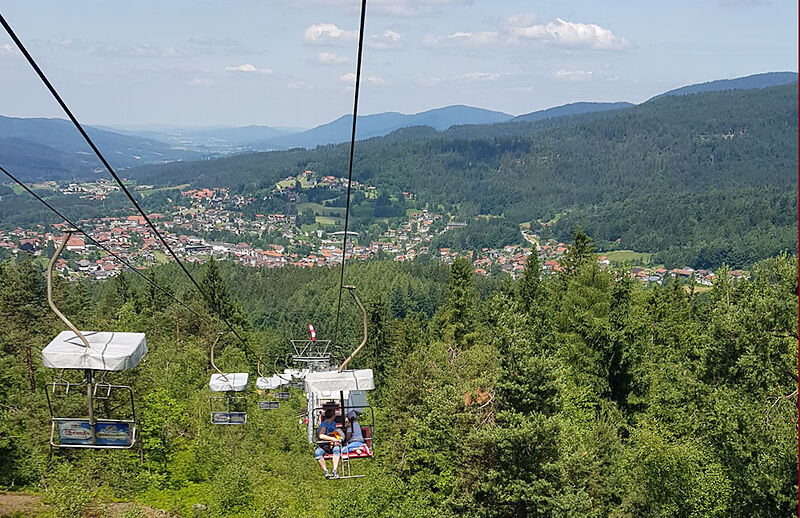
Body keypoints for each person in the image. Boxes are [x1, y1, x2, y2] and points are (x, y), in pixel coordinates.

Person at [315, 408, 342, 478]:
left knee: (336, 450)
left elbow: (334, 433)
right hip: (325, 444)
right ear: (332, 416)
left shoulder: (333, 424)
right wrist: (333, 439)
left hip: (331, 444)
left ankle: (335, 470)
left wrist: (336, 439)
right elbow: (321, 435)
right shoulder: (324, 425)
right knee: (318, 453)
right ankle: (326, 471)